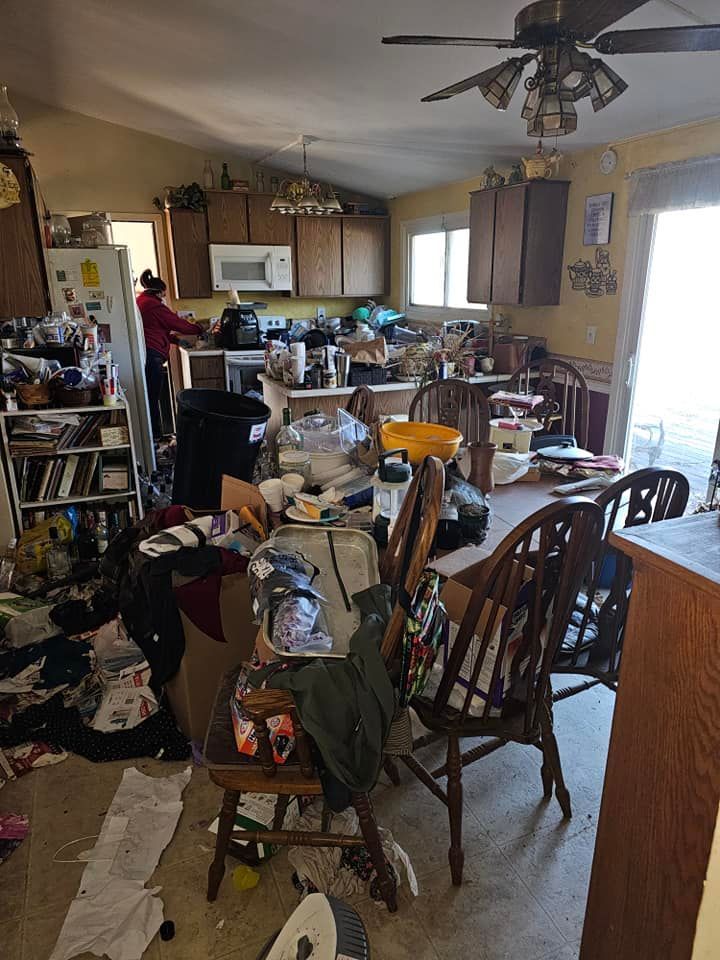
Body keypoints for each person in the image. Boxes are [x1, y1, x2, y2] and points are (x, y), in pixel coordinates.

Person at [136, 269, 203, 437]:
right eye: (164, 293)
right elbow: (179, 324)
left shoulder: (141, 301)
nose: (164, 297)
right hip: (153, 355)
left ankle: (153, 436)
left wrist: (176, 340)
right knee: (152, 398)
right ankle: (155, 436)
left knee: (150, 397)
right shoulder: (154, 306)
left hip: (147, 353)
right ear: (158, 292)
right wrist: (200, 328)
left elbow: (155, 328)